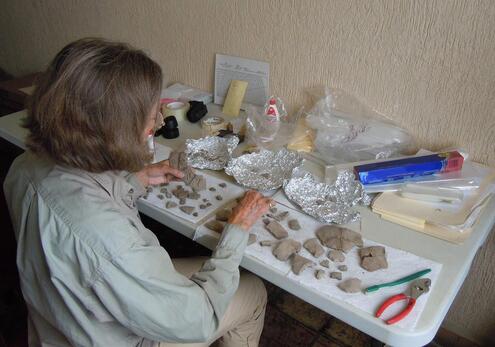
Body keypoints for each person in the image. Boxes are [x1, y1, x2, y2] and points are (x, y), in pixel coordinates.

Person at [4, 38, 271, 347]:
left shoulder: (24, 166)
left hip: (60, 321)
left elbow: (74, 207)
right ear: (113, 131)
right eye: (149, 116)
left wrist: (133, 180)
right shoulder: (110, 242)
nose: (157, 123)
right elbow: (199, 319)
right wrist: (235, 232)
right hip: (119, 337)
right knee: (252, 292)